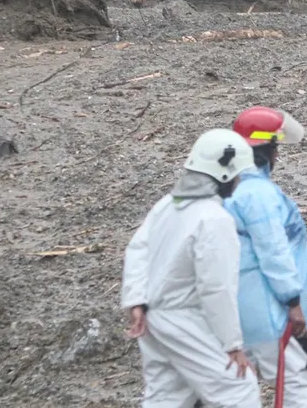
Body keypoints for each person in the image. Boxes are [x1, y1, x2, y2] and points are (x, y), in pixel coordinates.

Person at [121, 129, 261, 408]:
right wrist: (232, 345)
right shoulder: (214, 219)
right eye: (237, 175)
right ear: (225, 175)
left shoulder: (167, 205)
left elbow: (138, 249)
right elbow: (216, 288)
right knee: (239, 390)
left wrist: (136, 300)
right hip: (184, 319)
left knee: (166, 397)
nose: (238, 182)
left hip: (153, 316)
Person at [226, 107, 307, 408]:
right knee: (297, 382)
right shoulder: (259, 194)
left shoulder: (234, 191)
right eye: (275, 148)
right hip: (268, 311)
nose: (278, 155)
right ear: (267, 151)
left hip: (243, 310)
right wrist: (292, 302)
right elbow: (273, 251)